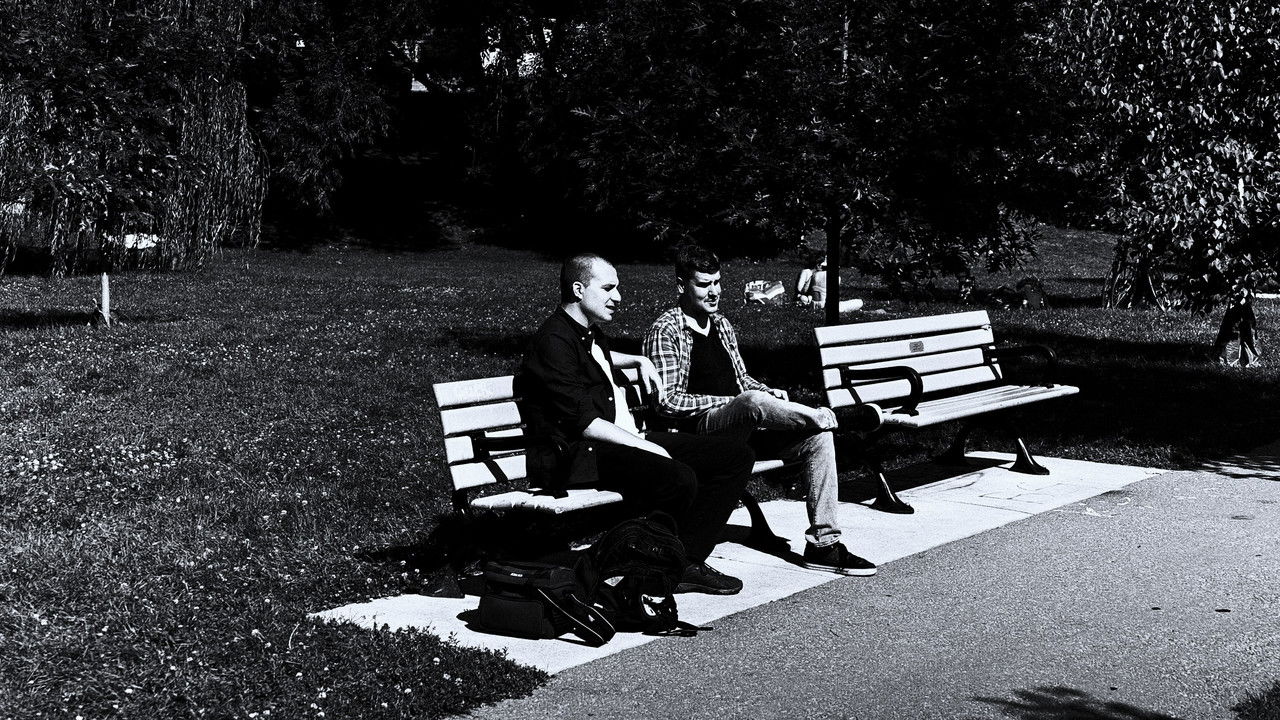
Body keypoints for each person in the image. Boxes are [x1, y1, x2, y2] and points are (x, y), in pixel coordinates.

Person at [516, 253, 756, 595]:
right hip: (578, 455)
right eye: (609, 288)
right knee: (678, 477)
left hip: (614, 442)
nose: (618, 297)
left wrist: (638, 359)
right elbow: (584, 422)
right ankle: (639, 561)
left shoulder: (588, 334)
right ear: (579, 289)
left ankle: (682, 559)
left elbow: (594, 361)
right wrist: (646, 446)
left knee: (735, 457)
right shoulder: (553, 341)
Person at [644, 245, 877, 576]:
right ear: (682, 285)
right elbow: (667, 401)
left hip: (742, 430)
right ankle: (835, 416)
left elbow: (742, 378)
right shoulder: (666, 330)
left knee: (817, 438)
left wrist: (768, 394)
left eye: (718, 282)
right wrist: (737, 404)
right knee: (751, 403)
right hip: (699, 434)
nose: (714, 292)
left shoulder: (721, 324)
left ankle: (823, 544)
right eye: (704, 284)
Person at [796, 254, 863, 313]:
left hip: (813, 303)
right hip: (826, 305)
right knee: (859, 302)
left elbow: (805, 290)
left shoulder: (814, 275)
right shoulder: (837, 277)